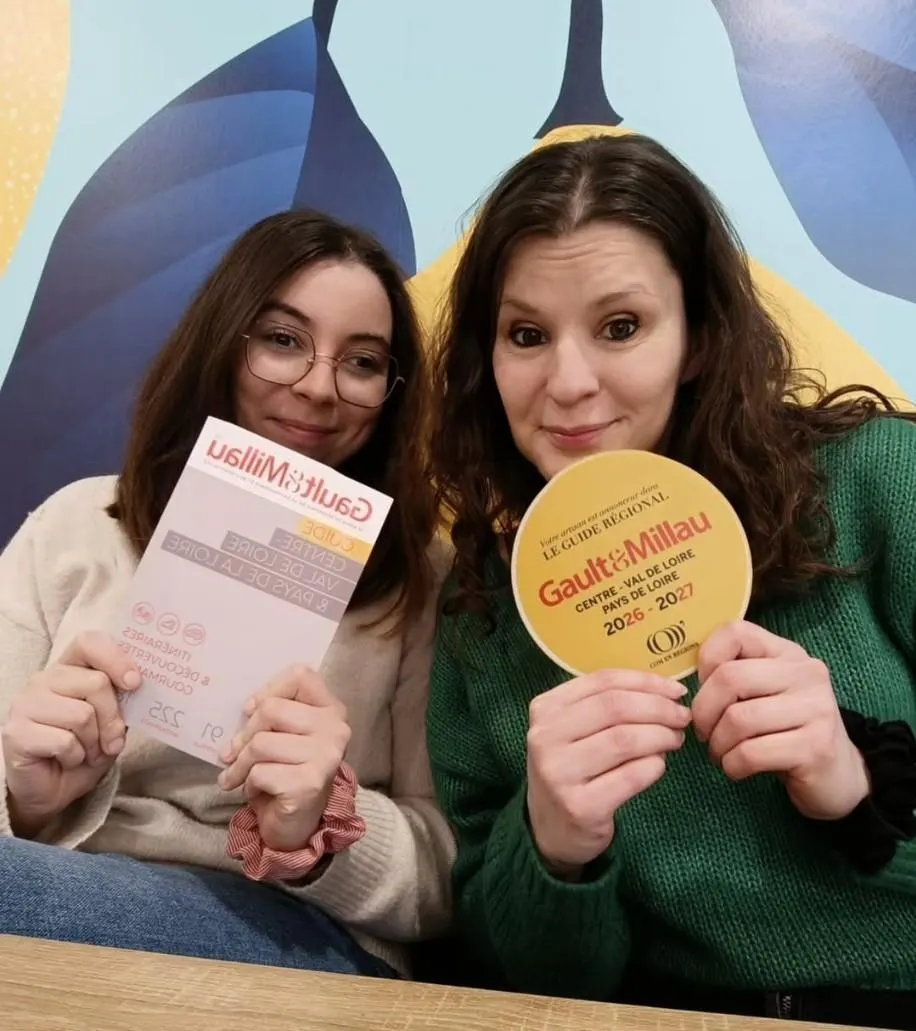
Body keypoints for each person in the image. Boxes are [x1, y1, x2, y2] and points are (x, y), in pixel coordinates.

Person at [425, 132, 916, 1028]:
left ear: (697, 337)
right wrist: (553, 848)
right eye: (526, 334)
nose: (569, 383)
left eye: (621, 327)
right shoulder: (486, 608)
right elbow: (509, 973)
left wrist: (856, 787)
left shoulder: (877, 479)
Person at [0, 210, 455, 978]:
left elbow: (444, 880)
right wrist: (28, 797)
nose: (318, 387)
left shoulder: (420, 577)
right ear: (222, 342)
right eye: (282, 339)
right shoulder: (74, 525)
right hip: (60, 889)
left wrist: (316, 828)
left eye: (363, 361)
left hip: (301, 935)